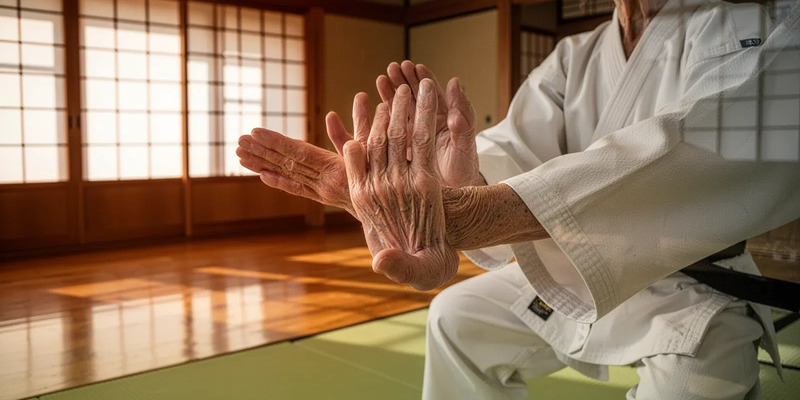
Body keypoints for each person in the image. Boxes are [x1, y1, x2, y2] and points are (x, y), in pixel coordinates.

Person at [237, 0, 800, 398]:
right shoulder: (574, 56)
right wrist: (453, 183)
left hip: (692, 285)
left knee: (688, 387)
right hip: (574, 267)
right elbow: (516, 151)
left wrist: (460, 217)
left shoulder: (755, 19)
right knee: (455, 315)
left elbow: (701, 148)